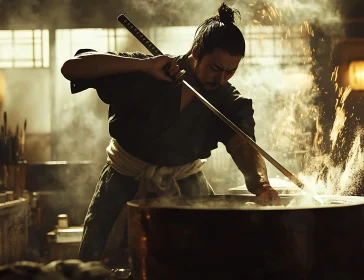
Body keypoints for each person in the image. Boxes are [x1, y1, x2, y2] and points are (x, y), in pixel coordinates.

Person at [60, 2, 281, 263]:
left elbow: (242, 142)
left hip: (187, 185)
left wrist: (261, 184)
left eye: (231, 71)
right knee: (96, 264)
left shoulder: (224, 97)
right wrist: (143, 67)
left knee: (207, 262)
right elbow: (71, 68)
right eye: (216, 68)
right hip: (123, 183)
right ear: (197, 52)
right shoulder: (150, 69)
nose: (222, 79)